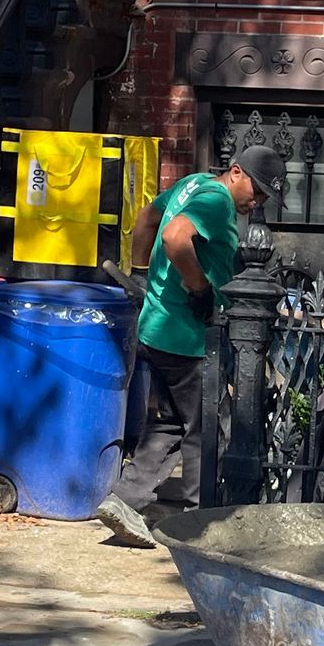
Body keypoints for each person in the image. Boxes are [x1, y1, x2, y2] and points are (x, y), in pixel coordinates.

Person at [95, 143, 287, 547]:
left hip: (157, 330)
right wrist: (199, 289)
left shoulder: (192, 183)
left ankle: (123, 502)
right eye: (259, 189)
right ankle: (203, 522)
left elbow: (147, 218)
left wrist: (142, 272)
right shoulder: (216, 200)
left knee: (166, 423)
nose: (260, 200)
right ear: (236, 173)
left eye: (267, 195)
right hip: (188, 337)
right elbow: (174, 233)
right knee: (205, 428)